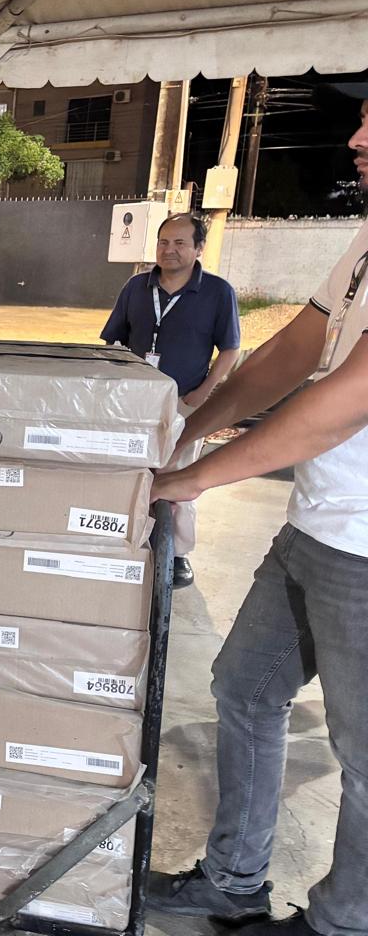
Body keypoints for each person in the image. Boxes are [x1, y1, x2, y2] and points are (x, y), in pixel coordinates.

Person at [146, 89, 368, 936]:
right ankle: (235, 879)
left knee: (363, 758)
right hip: (316, 524)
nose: (355, 139)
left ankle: (341, 923)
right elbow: (294, 352)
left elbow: (343, 403)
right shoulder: (363, 241)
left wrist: (193, 479)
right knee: (243, 689)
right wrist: (189, 434)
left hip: (364, 553)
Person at [100, 213, 241, 588]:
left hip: (184, 400)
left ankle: (177, 553)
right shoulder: (136, 287)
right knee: (131, 469)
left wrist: (205, 391)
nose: (170, 250)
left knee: (177, 474)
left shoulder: (217, 292)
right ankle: (128, 537)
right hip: (135, 401)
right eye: (164, 242)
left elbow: (230, 349)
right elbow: (113, 340)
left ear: (198, 248)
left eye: (180, 243)